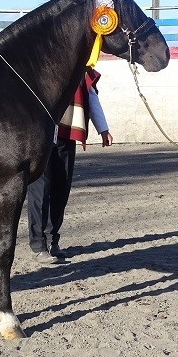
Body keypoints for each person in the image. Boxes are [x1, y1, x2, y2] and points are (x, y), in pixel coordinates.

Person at [27, 67, 113, 264]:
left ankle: (52, 240)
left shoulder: (78, 68)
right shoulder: (37, 64)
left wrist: (103, 128)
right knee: (40, 190)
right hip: (39, 137)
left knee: (61, 188)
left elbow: (90, 96)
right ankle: (38, 244)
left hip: (66, 136)